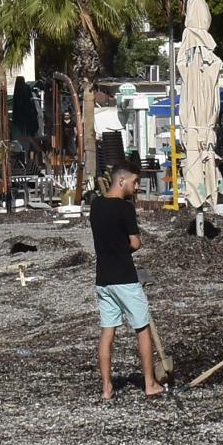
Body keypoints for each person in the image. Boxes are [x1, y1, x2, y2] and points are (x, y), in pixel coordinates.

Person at [89, 168, 166, 401]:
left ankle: (106, 388)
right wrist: (130, 246)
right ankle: (150, 383)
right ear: (121, 180)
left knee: (107, 332)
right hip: (125, 277)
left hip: (103, 278)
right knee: (142, 329)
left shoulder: (95, 205)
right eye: (134, 182)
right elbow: (135, 242)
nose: (136, 187)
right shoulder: (125, 208)